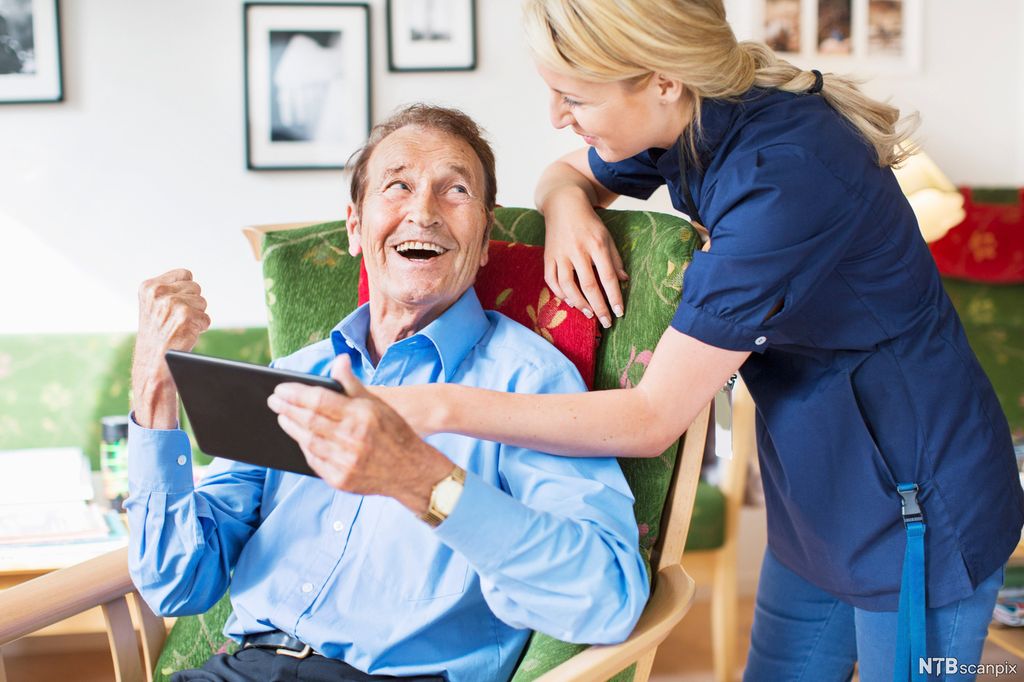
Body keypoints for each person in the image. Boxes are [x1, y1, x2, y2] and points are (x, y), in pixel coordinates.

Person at [366, 2, 1024, 680]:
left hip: (916, 500)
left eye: (573, 98)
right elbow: (566, 169)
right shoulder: (693, 117)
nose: (557, 116)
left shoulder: (783, 177)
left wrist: (437, 407)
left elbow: (650, 419)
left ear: (660, 80)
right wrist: (564, 205)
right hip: (816, 493)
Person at [126, 104, 648, 682]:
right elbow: (173, 582)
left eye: (454, 191)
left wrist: (421, 482)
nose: (422, 212)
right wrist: (154, 389)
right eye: (397, 186)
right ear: (355, 226)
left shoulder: (529, 382)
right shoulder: (294, 375)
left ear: (483, 241)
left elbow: (608, 596)